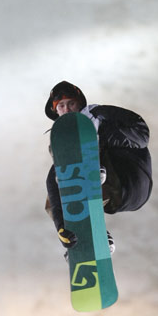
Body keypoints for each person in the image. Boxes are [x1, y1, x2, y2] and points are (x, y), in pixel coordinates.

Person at [45, 81, 152, 255]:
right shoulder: (64, 147)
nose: (67, 109)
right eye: (61, 106)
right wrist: (61, 226)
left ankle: (93, 171)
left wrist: (103, 134)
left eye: (71, 103)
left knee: (78, 144)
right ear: (56, 111)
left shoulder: (99, 116)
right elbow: (52, 187)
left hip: (129, 178)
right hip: (115, 196)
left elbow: (142, 134)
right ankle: (91, 236)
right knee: (56, 181)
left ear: (80, 104)